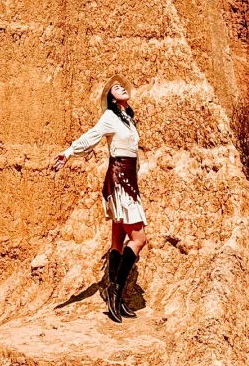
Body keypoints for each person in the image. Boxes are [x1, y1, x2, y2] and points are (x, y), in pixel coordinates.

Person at [51, 77, 147, 323]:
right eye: (117, 88)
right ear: (112, 98)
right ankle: (115, 290)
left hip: (128, 178)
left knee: (118, 241)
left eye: (123, 86)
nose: (122, 87)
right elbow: (91, 136)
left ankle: (115, 294)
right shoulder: (110, 117)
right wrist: (69, 153)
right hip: (119, 179)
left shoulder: (128, 119)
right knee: (139, 239)